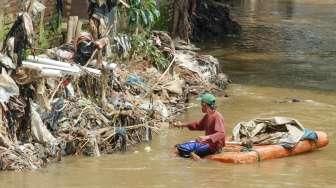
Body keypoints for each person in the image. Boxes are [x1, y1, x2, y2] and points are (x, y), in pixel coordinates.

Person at [172, 92, 226, 160]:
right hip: (207, 143)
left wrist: (206, 137)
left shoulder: (217, 116)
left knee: (188, 151)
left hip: (214, 147)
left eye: (201, 105)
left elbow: (221, 133)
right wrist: (182, 125)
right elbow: (198, 125)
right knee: (178, 147)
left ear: (205, 105)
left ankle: (200, 162)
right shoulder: (208, 116)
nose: (201, 107)